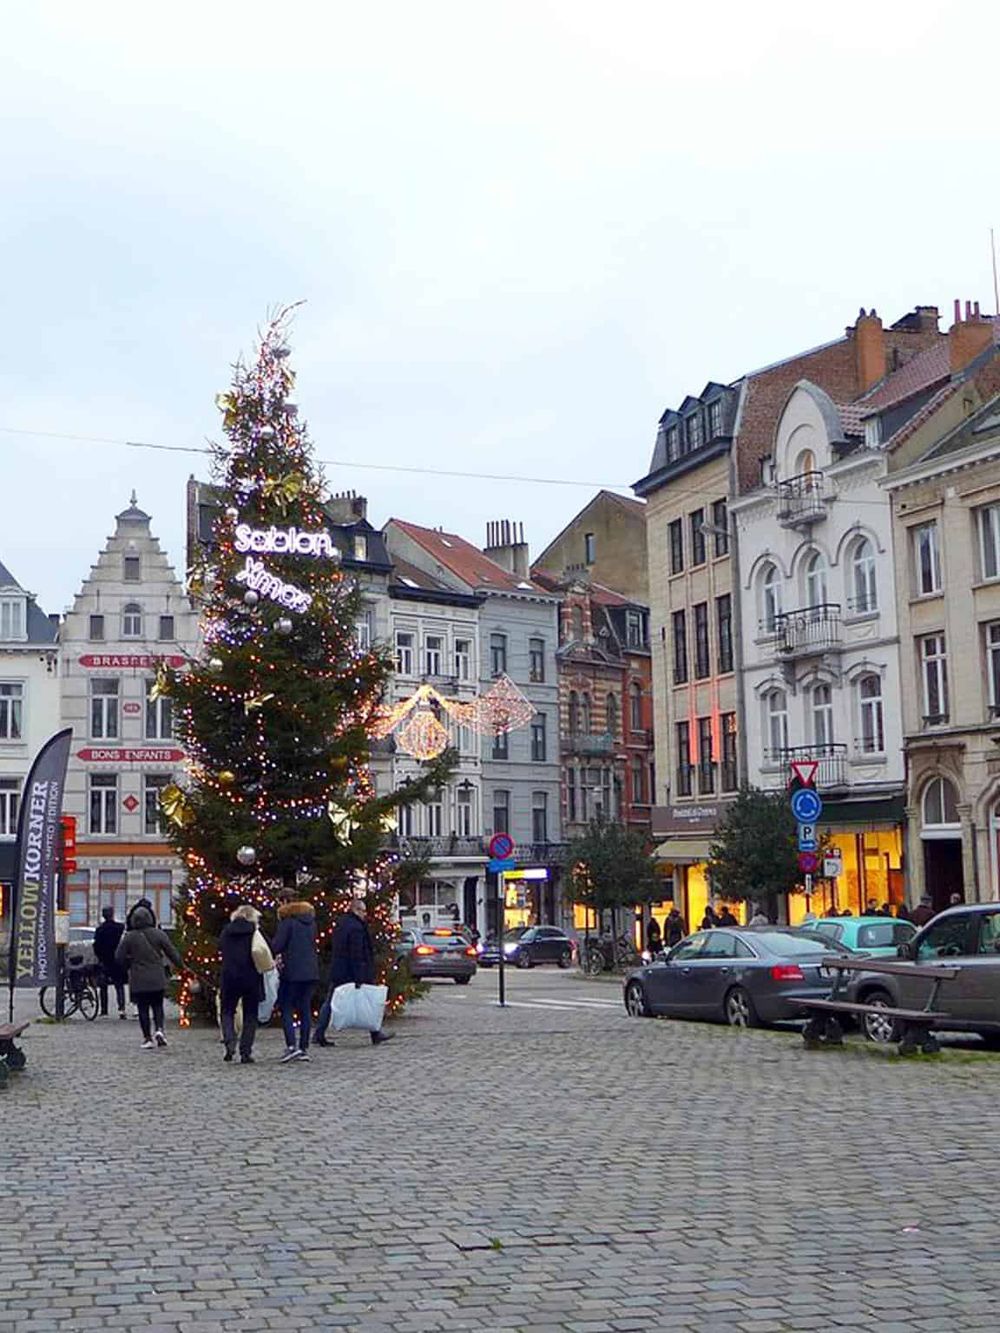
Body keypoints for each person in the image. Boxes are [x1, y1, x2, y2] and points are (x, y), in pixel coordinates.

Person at [315, 896, 393, 1047]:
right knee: (368, 1001)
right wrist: (360, 976)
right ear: (355, 910)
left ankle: (319, 1033)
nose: (365, 914)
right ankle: (375, 1033)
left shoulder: (341, 924)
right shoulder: (356, 928)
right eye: (363, 911)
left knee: (330, 1001)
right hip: (352, 971)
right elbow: (357, 953)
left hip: (340, 968)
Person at [114, 902, 181, 1050]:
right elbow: (172, 953)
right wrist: (181, 966)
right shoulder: (159, 934)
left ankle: (147, 1038)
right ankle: (159, 1030)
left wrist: (129, 963)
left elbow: (118, 957)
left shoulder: (129, 937)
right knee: (158, 1006)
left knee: (143, 1008)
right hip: (157, 976)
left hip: (138, 978)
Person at [218, 905, 272, 1064]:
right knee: (250, 1015)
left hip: (230, 977)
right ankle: (245, 1052)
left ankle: (229, 1040)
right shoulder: (255, 932)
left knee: (227, 1011)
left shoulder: (226, 931)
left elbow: (220, 948)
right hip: (251, 977)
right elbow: (269, 949)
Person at [271, 893, 319, 1063]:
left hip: (292, 972)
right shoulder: (310, 922)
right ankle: (304, 1047)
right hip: (311, 971)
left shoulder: (287, 923)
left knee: (287, 1007)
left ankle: (291, 1046)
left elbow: (277, 945)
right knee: (305, 1009)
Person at [93, 905, 127, 1019]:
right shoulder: (120, 928)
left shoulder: (100, 930)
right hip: (118, 961)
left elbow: (96, 946)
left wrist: (100, 957)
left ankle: (104, 1010)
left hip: (104, 961)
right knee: (119, 986)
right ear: (112, 914)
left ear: (103, 915)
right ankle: (122, 1009)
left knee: (103, 986)